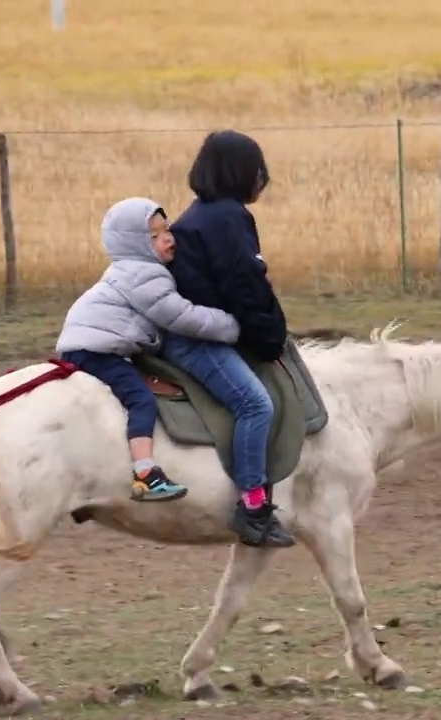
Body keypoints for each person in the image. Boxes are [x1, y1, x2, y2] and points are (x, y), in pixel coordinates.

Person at [55, 196, 242, 503]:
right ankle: (145, 473)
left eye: (166, 229)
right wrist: (233, 326)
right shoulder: (144, 275)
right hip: (94, 350)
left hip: (92, 345)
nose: (167, 238)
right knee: (142, 401)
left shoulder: (131, 270)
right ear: (136, 246)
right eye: (154, 236)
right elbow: (181, 316)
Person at [161, 130, 295, 548]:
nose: (263, 179)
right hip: (196, 340)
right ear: (241, 173)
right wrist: (271, 339)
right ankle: (252, 507)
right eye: (258, 170)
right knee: (255, 403)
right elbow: (246, 287)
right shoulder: (228, 218)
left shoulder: (203, 214)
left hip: (201, 328)